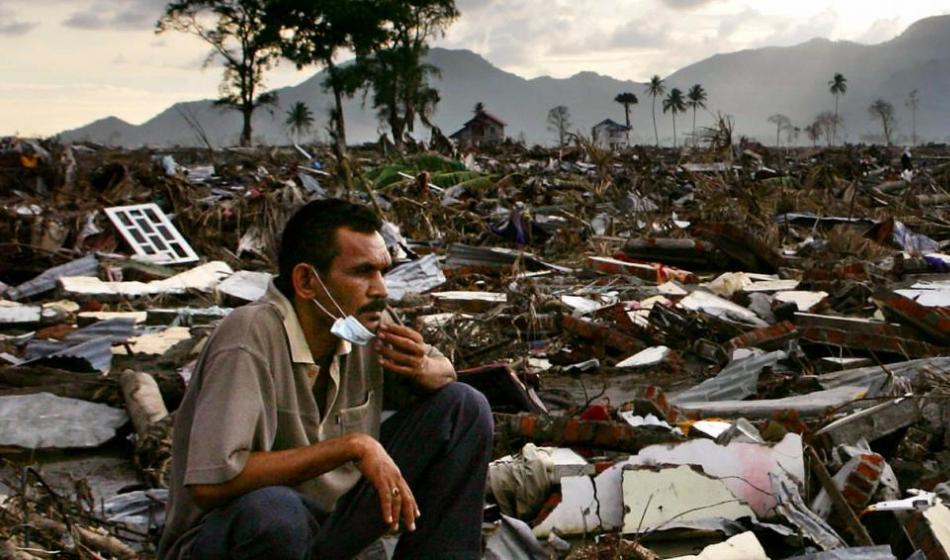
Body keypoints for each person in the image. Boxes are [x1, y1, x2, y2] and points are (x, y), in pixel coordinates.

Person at [158, 199, 494, 560]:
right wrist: (353, 446)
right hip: (232, 538)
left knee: (464, 408)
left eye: (383, 271)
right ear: (306, 281)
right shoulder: (249, 336)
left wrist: (425, 368)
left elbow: (444, 373)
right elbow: (210, 485)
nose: (380, 289)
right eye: (363, 272)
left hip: (324, 527)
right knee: (275, 513)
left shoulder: (363, 324)